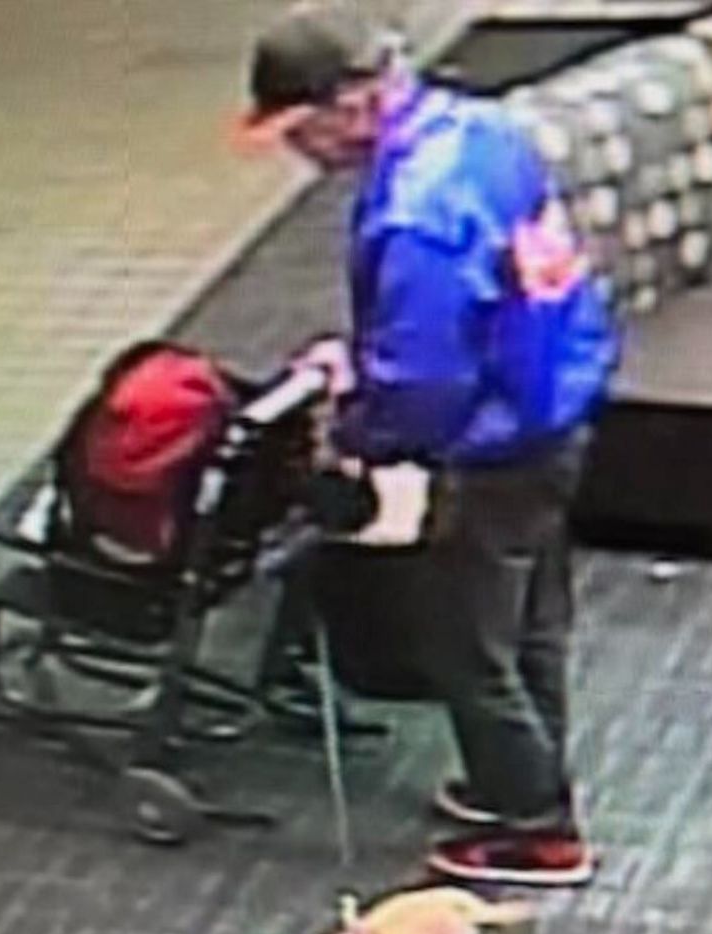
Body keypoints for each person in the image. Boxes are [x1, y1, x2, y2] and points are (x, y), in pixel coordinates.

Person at [231, 3, 620, 887]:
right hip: (554, 406)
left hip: (491, 446)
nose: (303, 155)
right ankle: (518, 781)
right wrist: (367, 363)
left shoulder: (417, 214)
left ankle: (537, 829)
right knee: (532, 622)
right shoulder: (481, 127)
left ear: (356, 102)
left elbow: (425, 383)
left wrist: (357, 429)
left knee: (464, 643)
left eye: (304, 130)